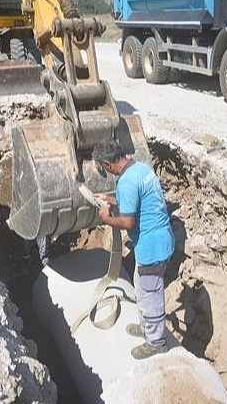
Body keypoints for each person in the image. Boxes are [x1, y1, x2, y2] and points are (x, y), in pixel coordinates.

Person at [92, 140, 175, 360]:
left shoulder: (127, 181)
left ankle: (156, 342)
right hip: (160, 239)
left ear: (108, 164)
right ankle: (147, 326)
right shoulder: (141, 169)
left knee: (150, 294)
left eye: (102, 167)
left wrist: (108, 219)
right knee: (141, 286)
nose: (104, 170)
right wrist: (109, 199)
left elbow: (128, 222)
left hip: (151, 247)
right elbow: (134, 199)